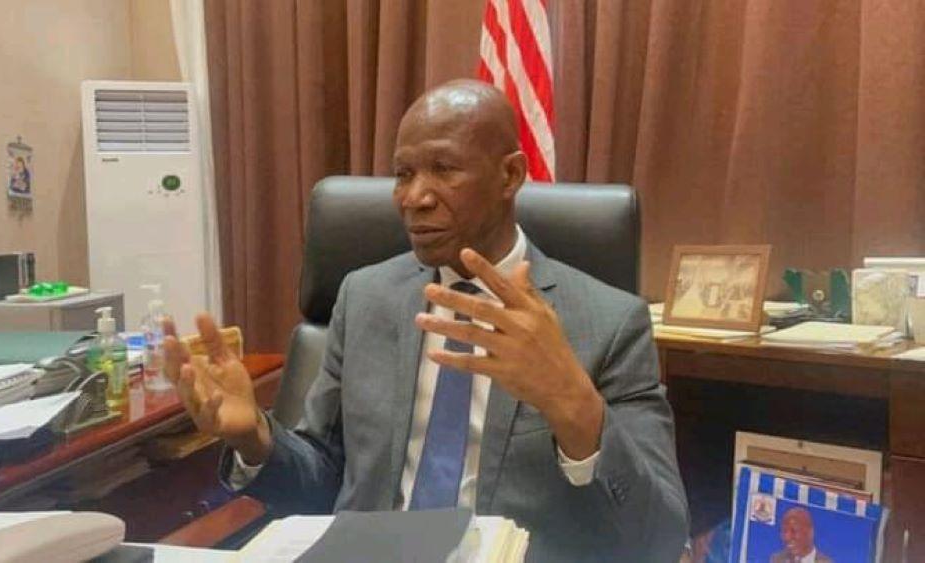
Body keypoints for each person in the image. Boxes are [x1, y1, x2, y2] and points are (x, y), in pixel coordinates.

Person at [163, 79, 688, 561]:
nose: (415, 198)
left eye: (444, 168)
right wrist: (255, 437)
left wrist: (575, 406)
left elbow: (660, 536)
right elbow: (322, 480)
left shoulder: (608, 321)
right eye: (404, 174)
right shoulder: (364, 298)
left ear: (510, 175)